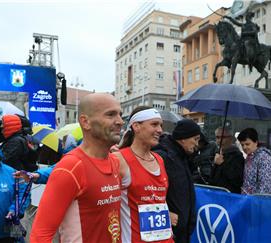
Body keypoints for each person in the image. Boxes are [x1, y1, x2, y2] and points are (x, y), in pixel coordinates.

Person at [30, 93, 123, 243]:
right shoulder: (70, 167)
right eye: (111, 115)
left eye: (120, 114)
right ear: (85, 122)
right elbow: (41, 234)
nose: (120, 121)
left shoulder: (115, 161)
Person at [114, 106, 173, 243]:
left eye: (160, 125)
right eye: (154, 124)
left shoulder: (159, 159)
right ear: (136, 126)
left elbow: (159, 201)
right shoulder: (119, 159)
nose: (160, 130)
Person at [152, 119, 200, 243]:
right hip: (169, 231)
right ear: (183, 138)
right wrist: (164, 212)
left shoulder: (181, 156)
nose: (197, 144)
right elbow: (147, 192)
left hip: (182, 230)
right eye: (195, 139)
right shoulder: (162, 156)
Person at [237, 128, 271, 194]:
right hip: (249, 199)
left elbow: (265, 185)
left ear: (256, 142)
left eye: (247, 144)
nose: (244, 147)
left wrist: (256, 200)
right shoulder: (250, 156)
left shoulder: (263, 157)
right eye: (242, 145)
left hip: (260, 201)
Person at [210, 127, 245, 193]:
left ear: (231, 138)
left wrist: (223, 164)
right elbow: (212, 179)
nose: (220, 140)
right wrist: (214, 164)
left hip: (230, 196)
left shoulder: (237, 156)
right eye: (217, 137)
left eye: (223, 137)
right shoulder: (217, 153)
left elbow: (237, 180)